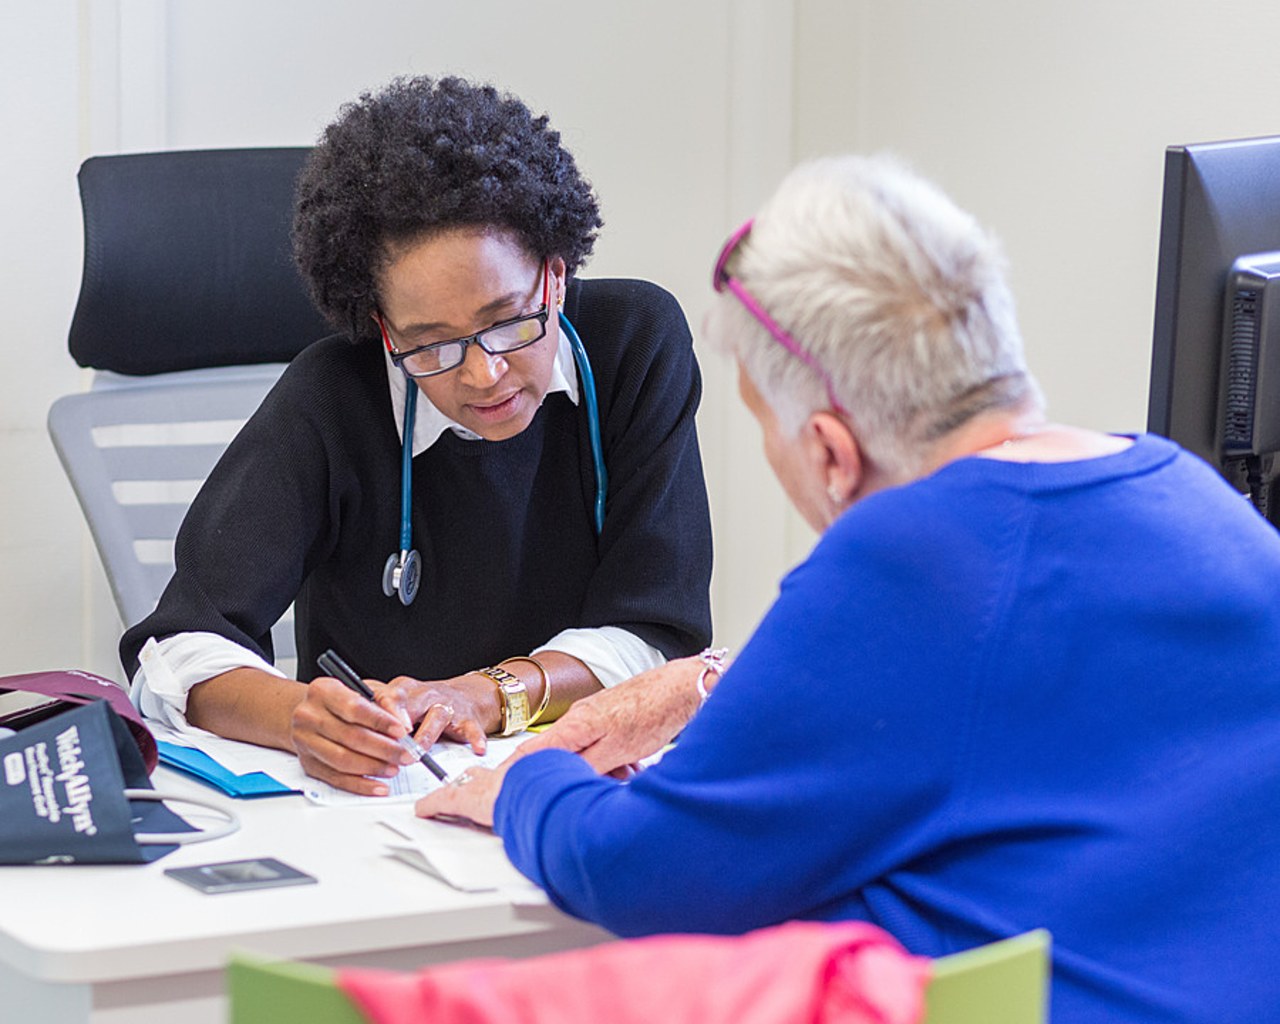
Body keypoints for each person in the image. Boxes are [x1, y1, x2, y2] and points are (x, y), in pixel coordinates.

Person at [418, 154, 1280, 1022]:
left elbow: (650, 876)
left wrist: (529, 784)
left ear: (831, 451)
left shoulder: (911, 556)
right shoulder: (1195, 494)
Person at [119, 76, 713, 796]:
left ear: (554, 276)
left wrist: (485, 694)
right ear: (383, 330)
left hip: (578, 782)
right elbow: (178, 648)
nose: (485, 373)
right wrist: (300, 715)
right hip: (377, 805)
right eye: (431, 344)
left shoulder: (632, 345)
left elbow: (658, 632)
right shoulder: (332, 397)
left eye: (508, 321)